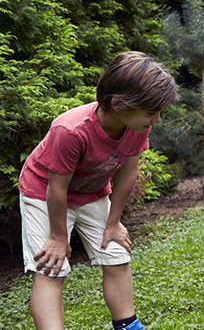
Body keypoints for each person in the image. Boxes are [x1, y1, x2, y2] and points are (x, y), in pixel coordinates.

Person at [18, 51, 179, 329]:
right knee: (51, 268)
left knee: (117, 254)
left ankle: (128, 325)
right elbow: (57, 188)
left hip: (92, 191)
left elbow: (128, 173)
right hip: (44, 193)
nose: (158, 120)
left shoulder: (137, 124)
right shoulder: (70, 130)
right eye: (152, 112)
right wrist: (58, 238)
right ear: (119, 104)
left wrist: (113, 223)